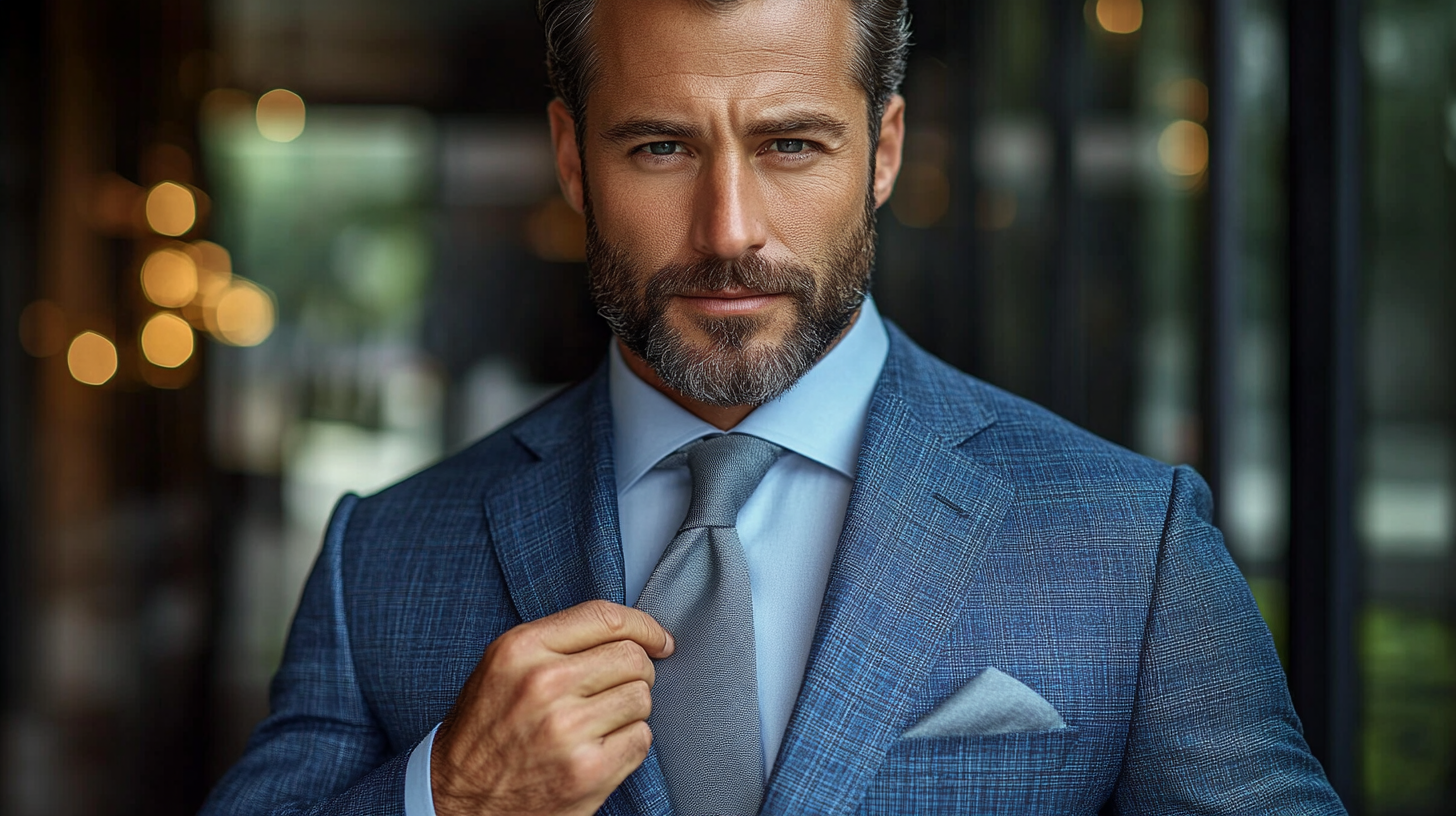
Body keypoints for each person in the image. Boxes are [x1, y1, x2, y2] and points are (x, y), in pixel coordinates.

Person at [202, 0, 1348, 813]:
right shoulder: (383, 556)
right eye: (659, 147)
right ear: (569, 157)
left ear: (884, 151)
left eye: (791, 144)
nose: (730, 229)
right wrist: (443, 798)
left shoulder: (1125, 540)